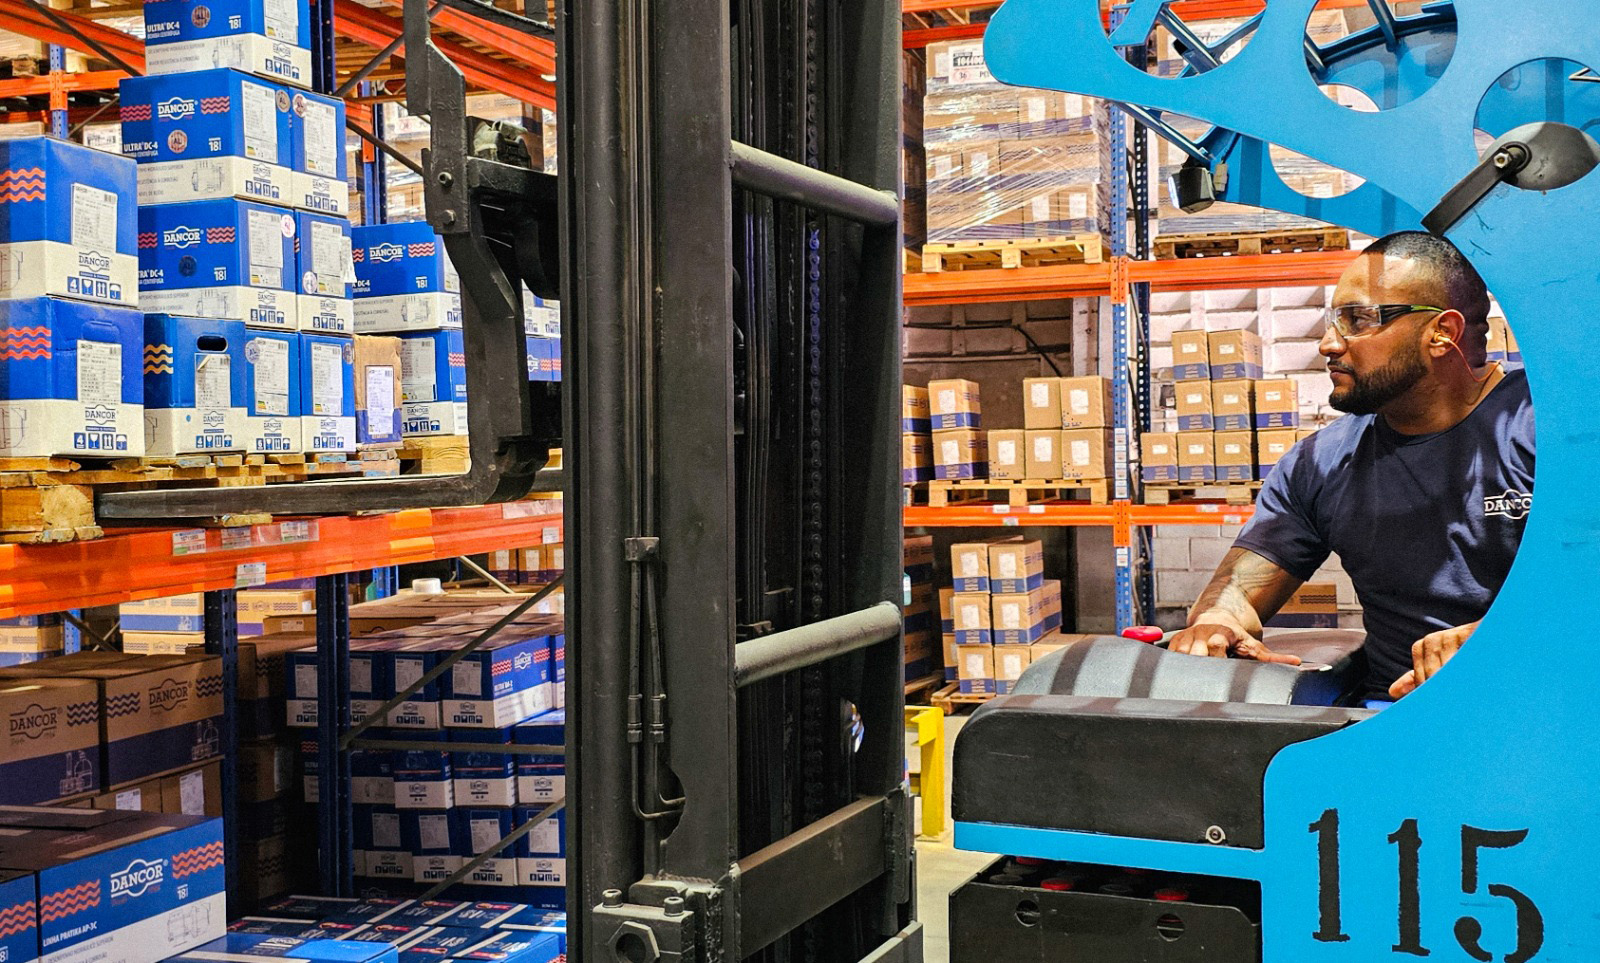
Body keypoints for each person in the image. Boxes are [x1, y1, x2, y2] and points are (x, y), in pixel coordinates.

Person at [1167, 231, 1534, 702]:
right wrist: (1218, 622)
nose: (1327, 344)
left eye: (1358, 319)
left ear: (1442, 333)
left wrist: (1500, 639)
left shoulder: (1551, 430)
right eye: (1332, 320)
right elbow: (1237, 590)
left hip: (1553, 707)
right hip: (1392, 718)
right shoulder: (1318, 464)